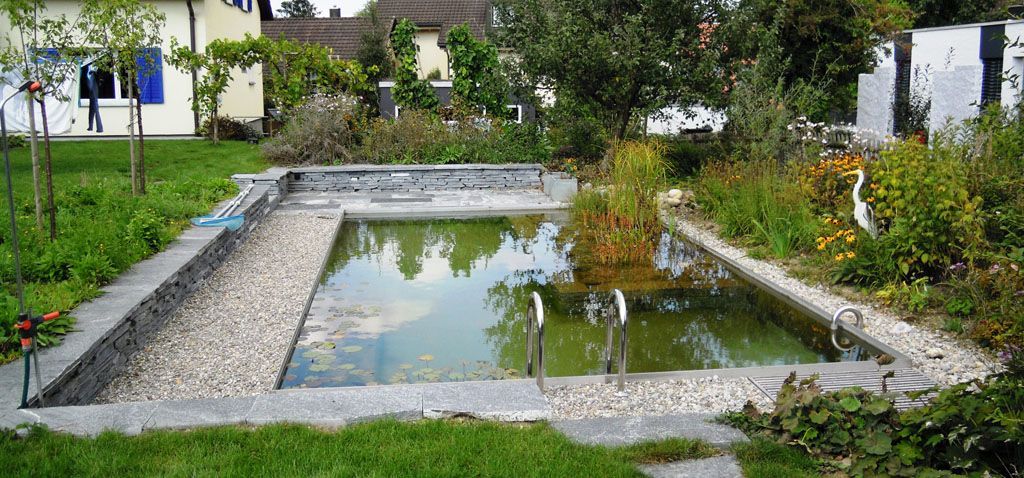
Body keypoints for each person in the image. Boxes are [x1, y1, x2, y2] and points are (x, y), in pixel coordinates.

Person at [86, 63, 103, 133]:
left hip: (94, 93)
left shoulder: (96, 70)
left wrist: (94, 72)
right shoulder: (86, 67)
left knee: (96, 110)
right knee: (91, 110)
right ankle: (90, 127)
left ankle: (100, 128)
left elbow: (100, 79)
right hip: (90, 94)